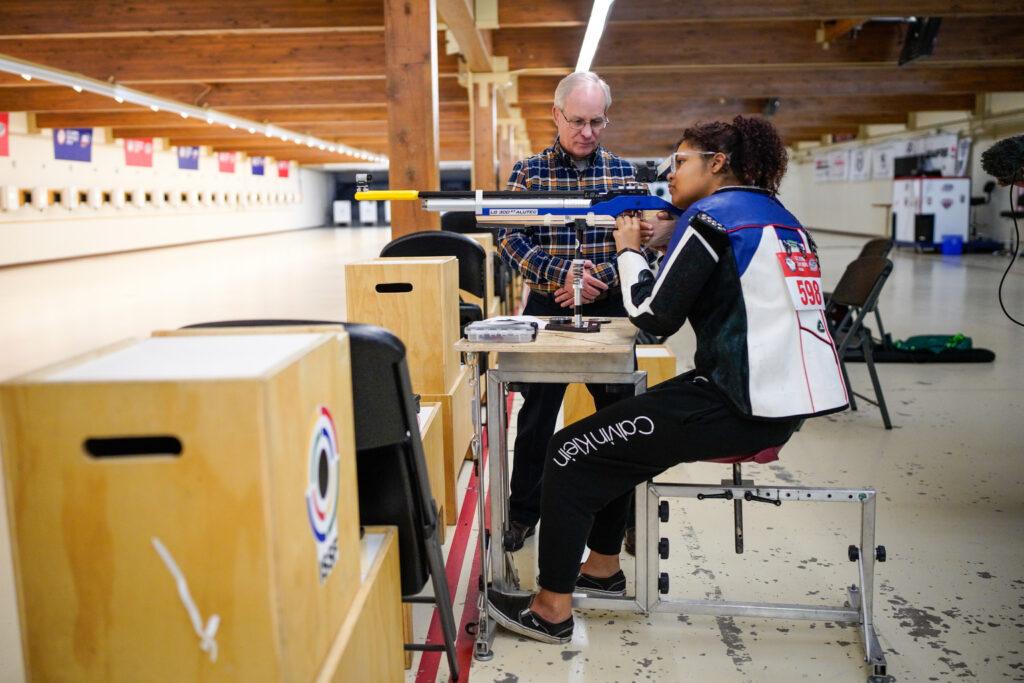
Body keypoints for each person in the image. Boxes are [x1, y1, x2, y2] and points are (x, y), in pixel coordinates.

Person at [487, 115, 850, 643]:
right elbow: (720, 280)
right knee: (615, 436)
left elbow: (652, 317)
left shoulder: (709, 217)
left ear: (717, 163)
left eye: (681, 162)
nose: (671, 175)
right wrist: (668, 238)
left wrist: (629, 248)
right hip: (776, 399)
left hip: (738, 404)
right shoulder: (777, 215)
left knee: (567, 451)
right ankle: (602, 569)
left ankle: (550, 610)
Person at [497, 71, 659, 551]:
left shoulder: (625, 174)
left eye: (597, 121)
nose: (587, 131)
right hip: (550, 303)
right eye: (577, 121)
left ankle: (621, 519)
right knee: (535, 417)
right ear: (556, 114)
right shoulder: (527, 173)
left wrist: (599, 280)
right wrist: (560, 275)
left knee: (621, 418)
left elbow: (643, 244)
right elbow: (510, 237)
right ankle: (524, 512)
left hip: (609, 304)